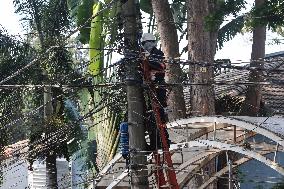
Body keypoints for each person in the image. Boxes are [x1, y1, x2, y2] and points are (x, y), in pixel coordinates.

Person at [141, 33, 170, 150]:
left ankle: (164, 141)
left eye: (147, 43)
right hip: (150, 88)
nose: (146, 45)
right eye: (144, 44)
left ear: (152, 43)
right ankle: (155, 143)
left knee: (159, 113)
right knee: (152, 116)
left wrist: (146, 60)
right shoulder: (144, 55)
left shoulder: (158, 54)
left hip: (158, 86)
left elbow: (160, 66)